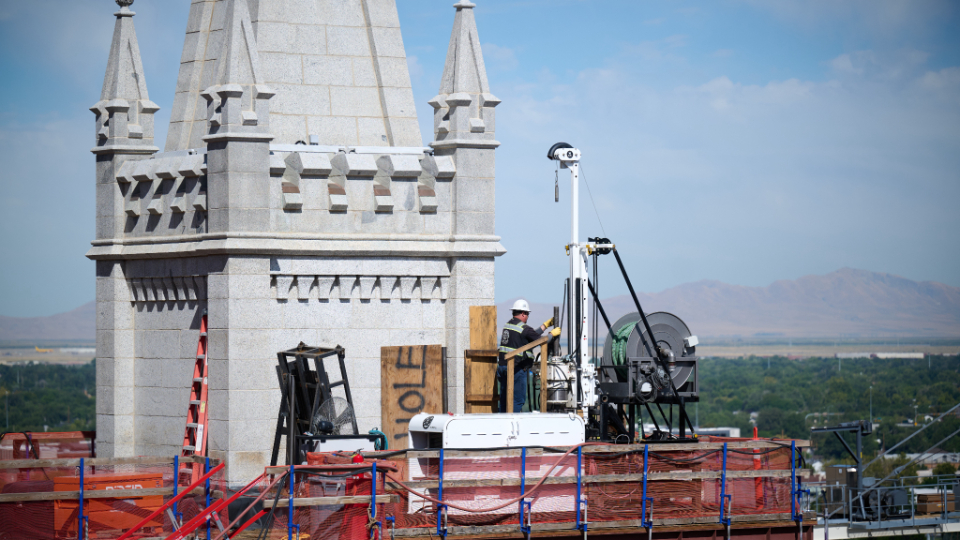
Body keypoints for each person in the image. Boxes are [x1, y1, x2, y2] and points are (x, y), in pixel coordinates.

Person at [496, 299, 561, 413]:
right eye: (527, 314)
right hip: (515, 369)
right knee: (517, 400)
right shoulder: (524, 328)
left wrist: (544, 326)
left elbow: (531, 336)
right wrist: (551, 335)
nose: (527, 317)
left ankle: (502, 424)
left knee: (505, 399)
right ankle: (512, 425)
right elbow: (540, 341)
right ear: (523, 314)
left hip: (502, 368)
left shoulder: (508, 325)